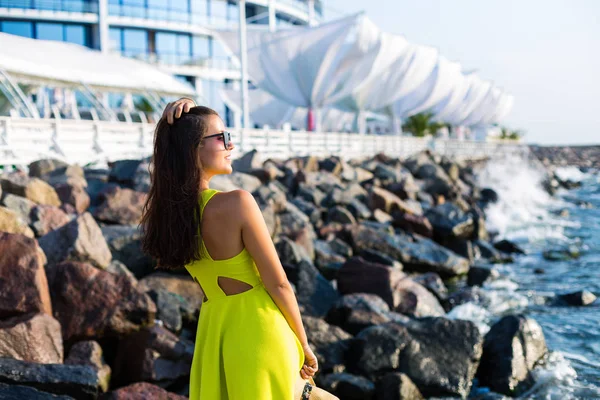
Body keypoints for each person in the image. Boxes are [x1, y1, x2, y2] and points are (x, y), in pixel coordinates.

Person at [140, 98, 318, 399]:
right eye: (223, 137)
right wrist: (304, 343)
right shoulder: (237, 203)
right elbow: (280, 284)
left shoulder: (172, 217)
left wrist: (187, 117)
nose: (231, 145)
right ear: (194, 148)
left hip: (217, 337)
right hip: (261, 329)